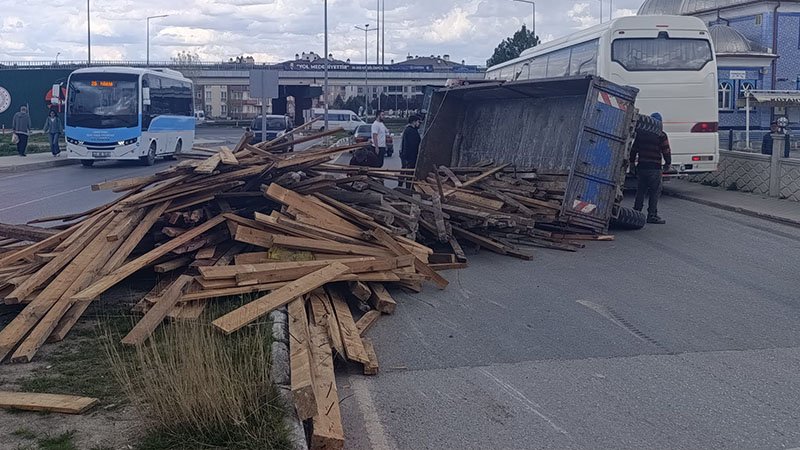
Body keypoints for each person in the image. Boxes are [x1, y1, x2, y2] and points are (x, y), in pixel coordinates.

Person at [630, 112, 672, 225]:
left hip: (642, 167)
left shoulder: (641, 134)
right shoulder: (661, 135)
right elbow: (666, 151)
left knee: (640, 190)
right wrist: (668, 163)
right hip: (654, 168)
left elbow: (633, 150)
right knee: (655, 191)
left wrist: (632, 164)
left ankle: (636, 212)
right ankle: (652, 215)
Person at [400, 114, 422, 188]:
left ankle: (402, 185)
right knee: (409, 173)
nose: (419, 124)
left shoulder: (411, 130)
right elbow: (411, 145)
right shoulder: (410, 131)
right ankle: (408, 187)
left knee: (405, 171)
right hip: (410, 156)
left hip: (408, 156)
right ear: (414, 122)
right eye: (418, 122)